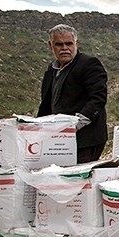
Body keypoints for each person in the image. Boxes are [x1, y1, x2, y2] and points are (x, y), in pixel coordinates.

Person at [37, 24, 108, 163]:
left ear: (76, 43)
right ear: (50, 46)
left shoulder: (89, 64)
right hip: (58, 139)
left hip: (86, 140)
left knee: (77, 179)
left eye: (69, 43)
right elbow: (46, 104)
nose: (64, 48)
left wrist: (73, 126)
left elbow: (98, 98)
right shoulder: (51, 70)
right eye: (59, 44)